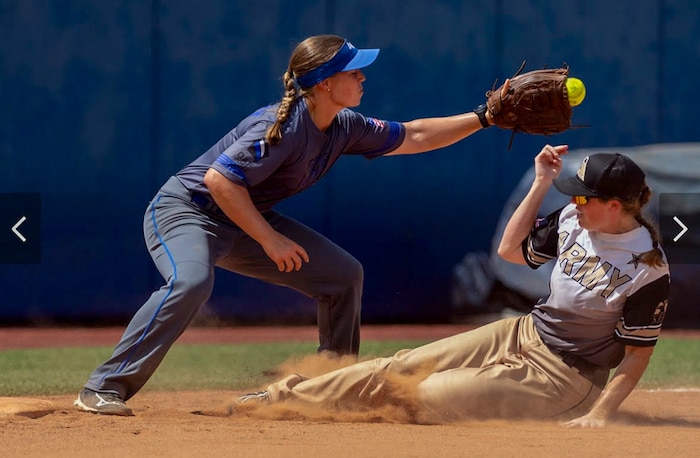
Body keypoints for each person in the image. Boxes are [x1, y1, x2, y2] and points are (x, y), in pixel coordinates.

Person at [74, 34, 501, 416]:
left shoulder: (343, 126)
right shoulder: (281, 126)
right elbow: (218, 181)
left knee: (342, 275)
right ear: (326, 83)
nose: (363, 79)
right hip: (186, 211)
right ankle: (104, 386)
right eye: (355, 72)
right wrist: (270, 239)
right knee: (190, 282)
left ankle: (333, 386)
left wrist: (484, 117)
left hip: (242, 218)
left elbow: (416, 135)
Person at [235, 145, 670, 428]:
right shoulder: (575, 219)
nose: (573, 200)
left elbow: (636, 356)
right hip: (524, 331)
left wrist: (599, 415)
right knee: (402, 367)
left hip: (567, 378)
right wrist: (540, 183)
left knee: (427, 394)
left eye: (582, 195)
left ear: (614, 206)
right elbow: (509, 251)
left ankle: (349, 408)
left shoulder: (647, 269)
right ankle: (276, 398)